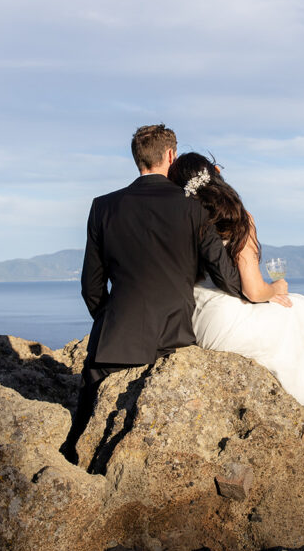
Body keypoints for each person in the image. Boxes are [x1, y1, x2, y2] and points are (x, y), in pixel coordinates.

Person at [168, 152, 304, 478]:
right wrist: (277, 288)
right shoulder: (240, 218)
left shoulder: (182, 221)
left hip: (198, 322)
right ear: (215, 175)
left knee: (292, 316)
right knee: (301, 309)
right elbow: (254, 291)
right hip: (229, 325)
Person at [59, 126, 243, 465]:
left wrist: (109, 320)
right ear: (171, 156)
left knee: (79, 439)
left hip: (115, 340)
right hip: (174, 339)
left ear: (137, 159)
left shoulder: (103, 207)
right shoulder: (193, 208)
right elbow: (228, 278)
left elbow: (91, 286)